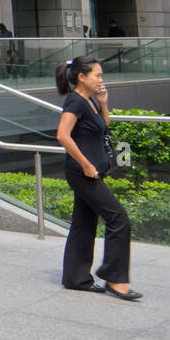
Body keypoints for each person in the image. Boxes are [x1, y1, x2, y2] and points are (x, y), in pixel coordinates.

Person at [56, 55, 140, 300]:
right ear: (81, 77)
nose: (101, 79)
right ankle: (115, 279)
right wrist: (86, 164)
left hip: (91, 172)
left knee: (83, 224)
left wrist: (103, 104)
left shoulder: (90, 101)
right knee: (119, 219)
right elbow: (62, 135)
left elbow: (102, 128)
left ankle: (76, 278)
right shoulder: (75, 101)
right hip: (82, 173)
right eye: (97, 74)